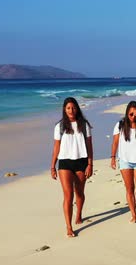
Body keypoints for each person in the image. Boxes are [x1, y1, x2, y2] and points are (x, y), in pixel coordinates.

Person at [50, 97, 93, 237]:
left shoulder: (84, 125)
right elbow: (56, 147)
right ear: (64, 109)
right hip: (64, 163)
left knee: (79, 193)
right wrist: (52, 166)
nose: (71, 110)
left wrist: (90, 164)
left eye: (73, 107)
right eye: (68, 108)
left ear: (77, 109)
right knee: (68, 196)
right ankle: (69, 227)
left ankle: (79, 215)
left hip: (81, 161)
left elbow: (89, 145)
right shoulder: (60, 126)